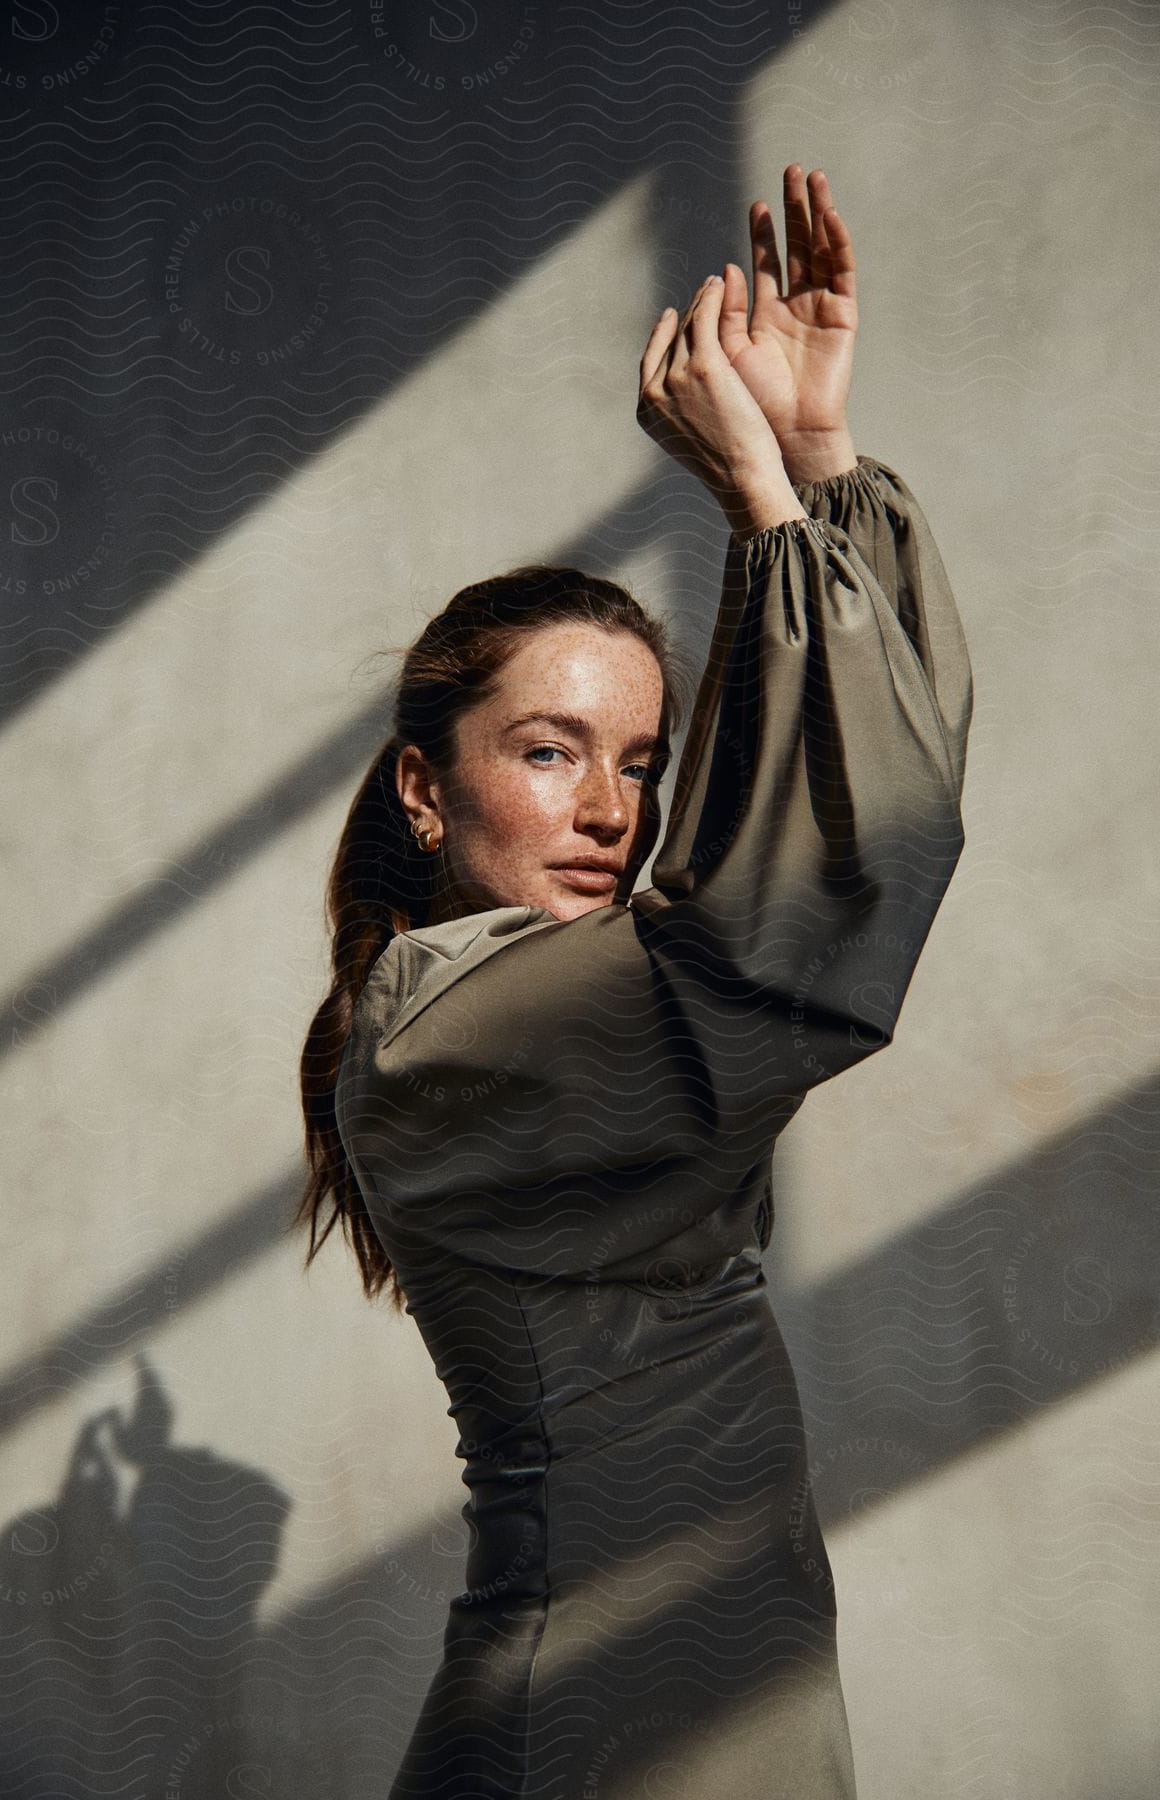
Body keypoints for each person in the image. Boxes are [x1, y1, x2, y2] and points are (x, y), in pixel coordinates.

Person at [296, 165, 973, 1799]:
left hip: (718, 1701)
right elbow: (783, 930)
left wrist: (815, 463)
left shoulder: (555, 993)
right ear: (421, 789)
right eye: (548, 751)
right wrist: (760, 509)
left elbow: (878, 818)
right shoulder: (439, 1029)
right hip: (593, 1733)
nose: (612, 808)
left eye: (642, 761)